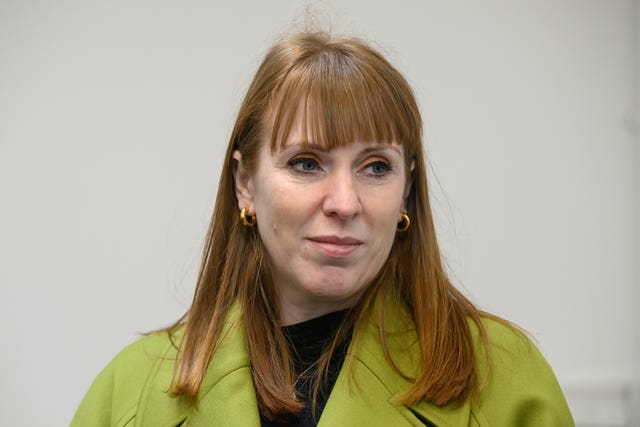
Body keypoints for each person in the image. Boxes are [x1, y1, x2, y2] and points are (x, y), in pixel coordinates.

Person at [71, 31, 574, 426]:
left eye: (376, 166)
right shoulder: (129, 391)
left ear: (407, 189)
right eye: (307, 163)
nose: (345, 202)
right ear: (245, 185)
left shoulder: (505, 379)